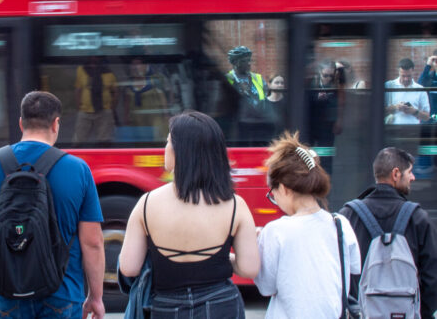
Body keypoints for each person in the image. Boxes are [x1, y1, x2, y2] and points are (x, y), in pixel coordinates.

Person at [0, 91, 106, 318]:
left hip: (6, 293)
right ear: (56, 124)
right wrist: (95, 297)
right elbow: (92, 242)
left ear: (21, 123)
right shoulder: (78, 169)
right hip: (61, 293)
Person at [119, 111, 260, 318]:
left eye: (168, 142)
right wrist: (220, 258)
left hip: (166, 307)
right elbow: (249, 269)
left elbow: (129, 268)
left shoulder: (147, 203)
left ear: (181, 151)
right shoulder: (235, 205)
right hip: (222, 305)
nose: (165, 148)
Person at [255, 131, 361, 317]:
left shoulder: (276, 231)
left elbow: (266, 286)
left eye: (273, 193)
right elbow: (354, 268)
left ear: (285, 188)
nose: (275, 199)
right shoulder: (340, 224)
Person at [338, 147, 437, 317]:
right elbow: (432, 279)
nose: (413, 178)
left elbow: (338, 275)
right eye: (410, 172)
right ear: (396, 174)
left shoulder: (348, 216)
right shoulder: (418, 219)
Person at [73, 56, 118, 144]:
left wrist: (112, 107)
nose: (93, 61)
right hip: (84, 111)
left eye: (97, 59)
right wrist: (78, 106)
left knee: (104, 139)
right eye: (91, 59)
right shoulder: (81, 70)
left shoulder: (109, 73)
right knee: (79, 139)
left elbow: (115, 92)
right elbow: (78, 89)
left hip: (104, 111)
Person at [385, 58, 430, 124]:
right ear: (399, 72)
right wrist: (395, 107)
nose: (406, 79)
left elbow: (427, 117)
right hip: (392, 130)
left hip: (413, 131)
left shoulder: (420, 89)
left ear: (413, 72)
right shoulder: (389, 85)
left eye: (409, 76)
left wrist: (414, 111)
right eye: (403, 76)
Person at [418, 50, 437, 117]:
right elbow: (419, 86)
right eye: (436, 61)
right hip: (430, 117)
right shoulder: (428, 77)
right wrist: (428, 66)